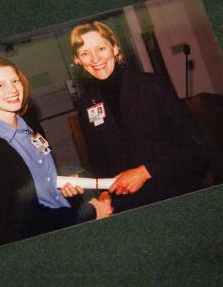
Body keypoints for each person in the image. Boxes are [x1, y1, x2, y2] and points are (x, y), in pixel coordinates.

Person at [63, 20, 210, 212]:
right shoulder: (85, 105)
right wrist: (104, 194)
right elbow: (99, 161)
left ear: (115, 48)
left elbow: (196, 150)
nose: (95, 58)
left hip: (175, 194)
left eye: (101, 48)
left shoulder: (152, 85)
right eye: (85, 53)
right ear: (77, 60)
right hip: (129, 207)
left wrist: (146, 171)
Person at [0, 56, 112, 245]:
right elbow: (19, 218)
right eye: (0, 85)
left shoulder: (31, 125)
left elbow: (47, 179)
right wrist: (90, 212)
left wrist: (67, 188)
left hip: (62, 214)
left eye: (15, 80)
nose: (12, 89)